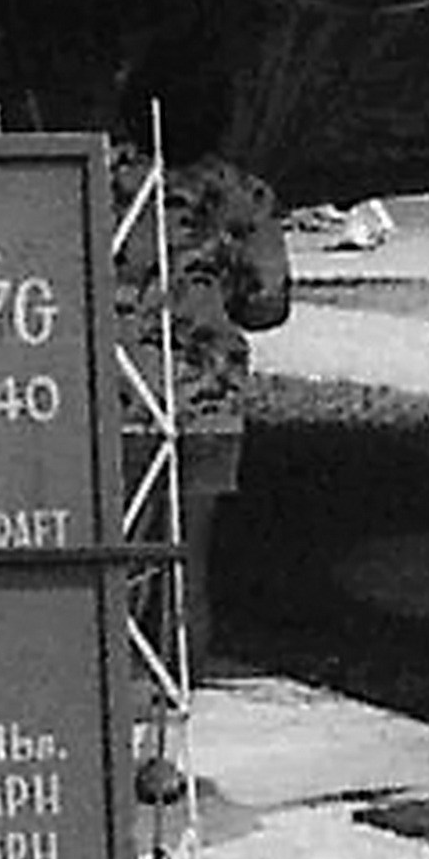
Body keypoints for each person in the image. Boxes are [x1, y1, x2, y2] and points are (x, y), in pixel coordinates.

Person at [118, 97, 293, 676]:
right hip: (204, 394)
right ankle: (180, 687)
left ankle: (114, 691)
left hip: (113, 391)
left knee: (110, 558)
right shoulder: (246, 195)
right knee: (188, 561)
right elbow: (268, 305)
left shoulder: (93, 179)